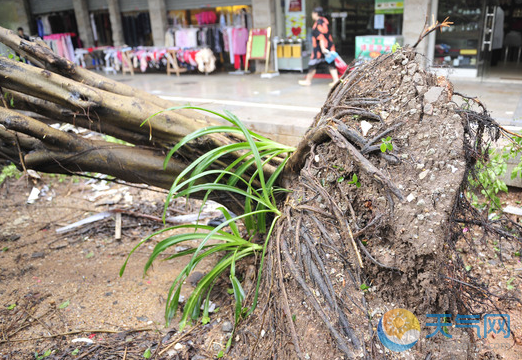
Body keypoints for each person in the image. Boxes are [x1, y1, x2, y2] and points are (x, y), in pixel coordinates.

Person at [299, 7, 339, 86]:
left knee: (313, 64)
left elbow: (320, 37)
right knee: (331, 63)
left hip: (320, 48)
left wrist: (323, 48)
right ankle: (336, 80)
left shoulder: (318, 23)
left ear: (315, 14)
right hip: (328, 46)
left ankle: (308, 81)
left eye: (312, 13)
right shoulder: (325, 21)